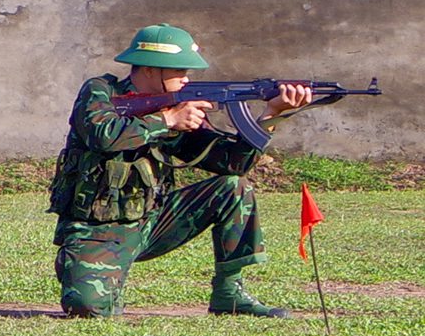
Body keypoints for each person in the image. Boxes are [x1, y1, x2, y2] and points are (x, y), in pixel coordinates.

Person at [50, 26, 311, 319]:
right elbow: (103, 135)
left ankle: (229, 293)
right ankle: (80, 264)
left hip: (154, 220)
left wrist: (272, 115)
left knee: (233, 186)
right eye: (179, 71)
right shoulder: (100, 92)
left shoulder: (175, 110)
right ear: (150, 69)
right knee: (88, 309)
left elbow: (232, 162)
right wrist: (167, 120)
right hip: (99, 228)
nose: (186, 79)